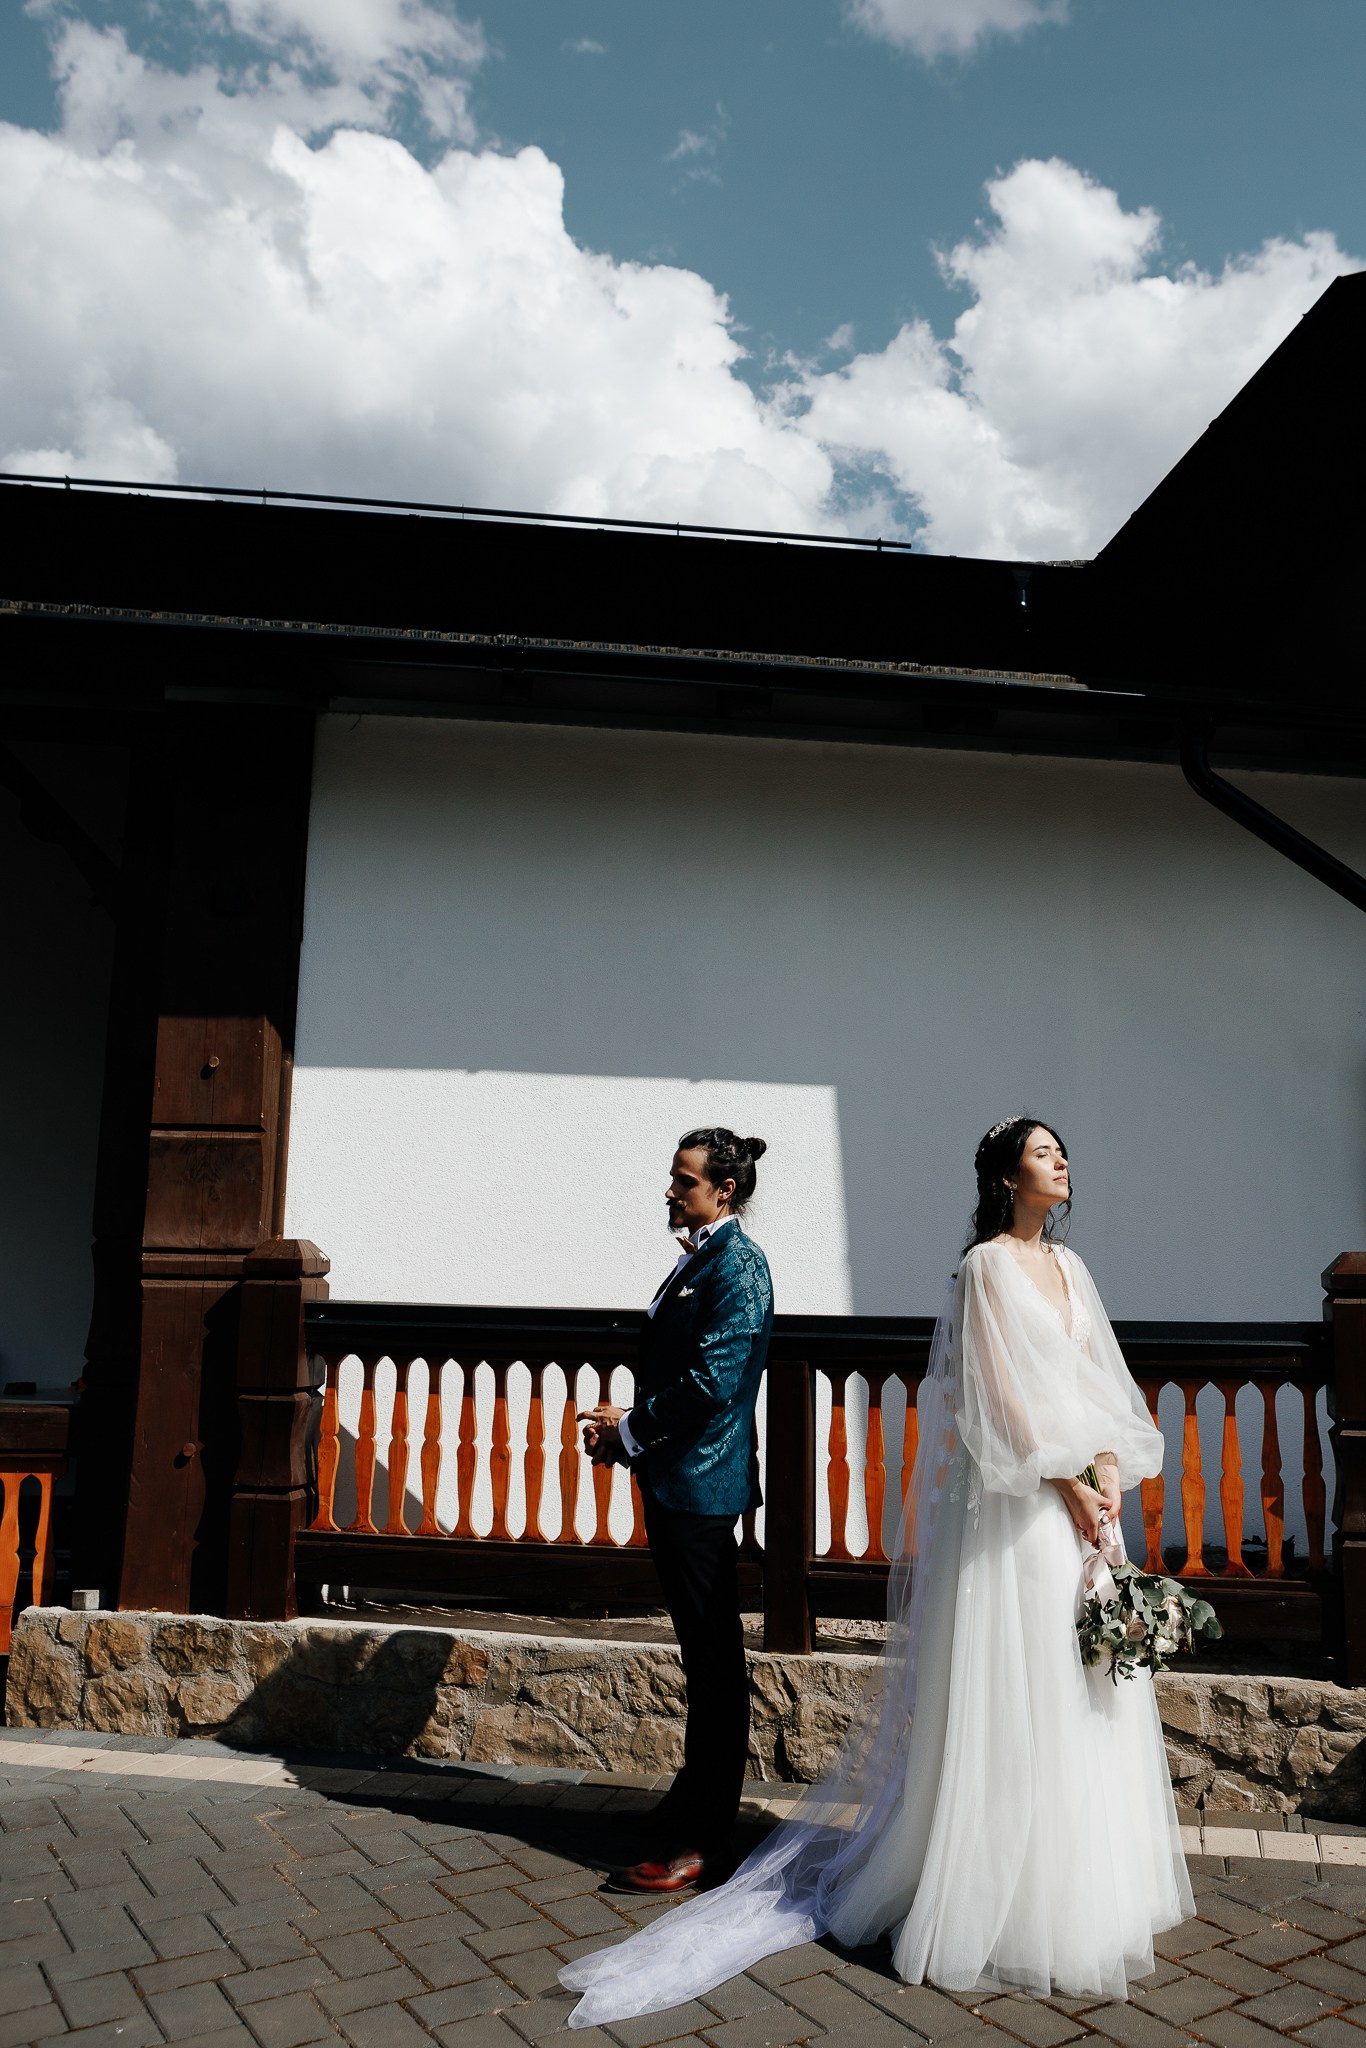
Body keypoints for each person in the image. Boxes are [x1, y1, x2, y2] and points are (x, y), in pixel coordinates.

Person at [563, 1115, 1192, 2025]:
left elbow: (1096, 1384)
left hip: (1069, 1506)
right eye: (1043, 1152)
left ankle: (1079, 1884)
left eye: (1062, 1153)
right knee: (1008, 1689)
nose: (1061, 1162)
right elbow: (994, 1397)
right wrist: (1064, 1482)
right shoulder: (984, 1268)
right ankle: (982, 1883)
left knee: (1075, 1689)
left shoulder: (1070, 1268)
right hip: (1017, 1502)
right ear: (1006, 1178)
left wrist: (1103, 1480)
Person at [578, 1126, 773, 1895]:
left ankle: (705, 1840)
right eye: (673, 1176)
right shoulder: (698, 1258)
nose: (670, 1190)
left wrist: (630, 1429)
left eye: (684, 1180)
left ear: (724, 1190)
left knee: (716, 1663)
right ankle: (692, 1799)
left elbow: (713, 1383)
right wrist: (627, 1428)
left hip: (703, 1487)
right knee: (701, 1655)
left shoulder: (740, 1266)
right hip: (675, 1479)